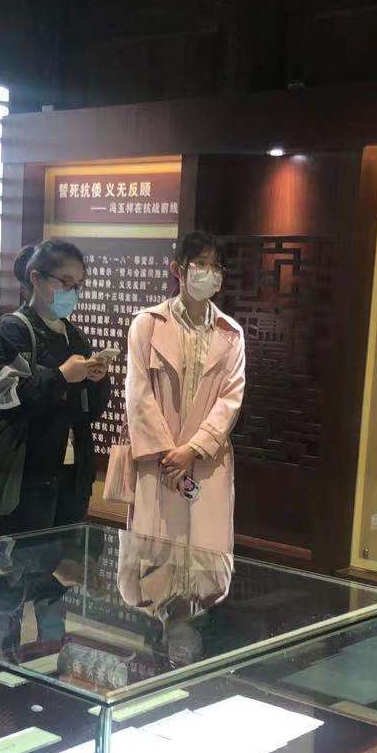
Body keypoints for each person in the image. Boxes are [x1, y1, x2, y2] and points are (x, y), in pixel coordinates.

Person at [0, 240, 111, 534]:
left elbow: (90, 412)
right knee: (25, 558)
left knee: (67, 559)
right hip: (26, 476)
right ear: (36, 279)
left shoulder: (75, 336)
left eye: (78, 285)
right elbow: (5, 400)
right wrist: (60, 376)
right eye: (65, 282)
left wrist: (98, 380)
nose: (72, 292)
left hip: (74, 474)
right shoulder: (11, 331)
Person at [124, 230, 245, 552]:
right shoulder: (146, 324)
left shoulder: (231, 333)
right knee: (155, 554)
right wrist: (170, 455)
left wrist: (192, 449)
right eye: (200, 263)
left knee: (206, 554)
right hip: (160, 459)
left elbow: (231, 399)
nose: (209, 272)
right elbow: (138, 395)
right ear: (177, 269)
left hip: (207, 458)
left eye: (216, 266)